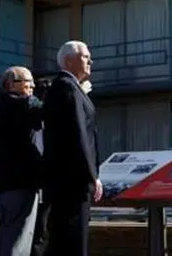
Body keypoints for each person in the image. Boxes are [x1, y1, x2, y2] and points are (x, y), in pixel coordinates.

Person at [42, 41, 101, 256]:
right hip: (72, 181)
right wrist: (92, 176)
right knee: (73, 242)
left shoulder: (68, 87)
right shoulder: (67, 87)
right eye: (85, 56)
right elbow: (78, 134)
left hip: (66, 180)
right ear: (68, 61)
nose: (90, 61)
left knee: (63, 241)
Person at [0, 66, 44, 256]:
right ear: (10, 85)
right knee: (19, 236)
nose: (32, 87)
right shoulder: (23, 104)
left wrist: (0, 160)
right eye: (27, 83)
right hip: (23, 182)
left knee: (7, 232)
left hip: (5, 181)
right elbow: (45, 110)